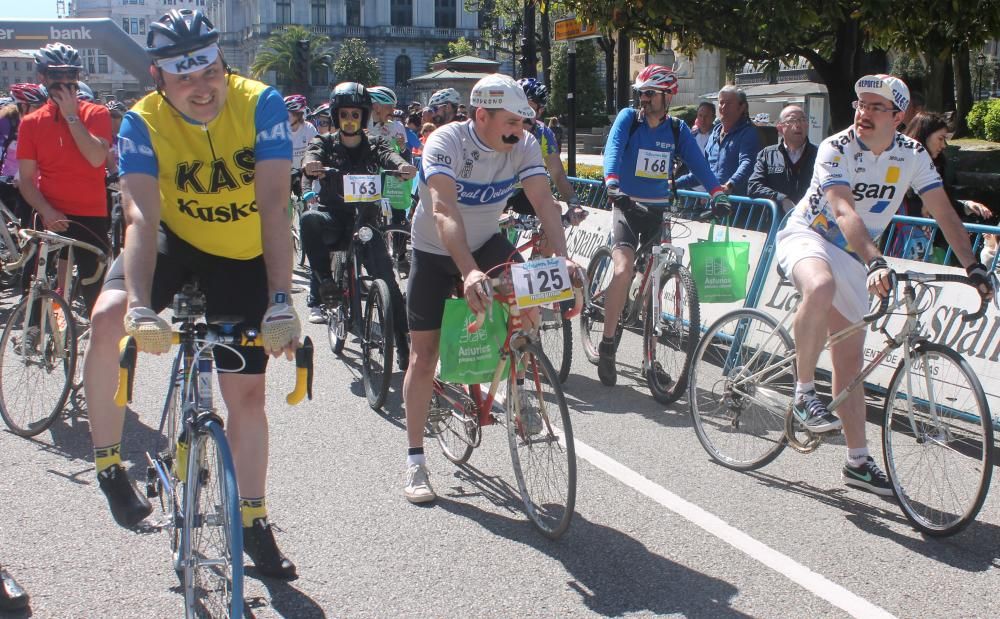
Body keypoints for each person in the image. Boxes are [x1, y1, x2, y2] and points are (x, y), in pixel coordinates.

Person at [83, 8, 301, 579]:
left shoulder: (261, 104)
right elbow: (138, 216)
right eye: (184, 79)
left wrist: (281, 298)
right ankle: (109, 465)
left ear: (222, 64)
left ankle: (253, 520)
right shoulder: (141, 122)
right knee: (106, 317)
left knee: (247, 395)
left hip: (242, 252)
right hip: (172, 242)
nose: (202, 90)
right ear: (159, 78)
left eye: (210, 74)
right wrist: (138, 307)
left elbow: (276, 205)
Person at [774, 74, 994, 495]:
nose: (864, 113)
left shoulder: (911, 154)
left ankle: (857, 462)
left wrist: (973, 266)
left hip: (857, 257)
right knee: (818, 287)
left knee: (850, 363)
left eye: (876, 108)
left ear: (899, 117)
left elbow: (943, 212)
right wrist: (876, 260)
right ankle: (803, 392)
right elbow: (842, 210)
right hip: (811, 236)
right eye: (861, 105)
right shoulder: (837, 148)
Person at [401, 73, 573, 503]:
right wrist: (468, 271)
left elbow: (543, 201)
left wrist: (564, 259)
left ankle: (518, 389)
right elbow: (442, 210)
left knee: (529, 305)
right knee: (424, 358)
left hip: (486, 243)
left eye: (524, 122)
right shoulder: (447, 142)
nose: (520, 131)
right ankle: (416, 461)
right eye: (512, 122)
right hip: (436, 250)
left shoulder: (525, 144)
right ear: (481, 115)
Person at [598, 65, 730, 386]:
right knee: (623, 270)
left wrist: (716, 191)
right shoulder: (629, 120)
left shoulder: (677, 130)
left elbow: (699, 164)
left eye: (650, 94)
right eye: (641, 93)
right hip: (627, 206)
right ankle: (607, 343)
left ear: (667, 96)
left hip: (659, 211)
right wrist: (612, 182)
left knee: (657, 285)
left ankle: (650, 360)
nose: (643, 99)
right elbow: (613, 149)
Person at [300, 82, 416, 376]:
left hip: (366, 223)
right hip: (334, 220)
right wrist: (311, 165)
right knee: (309, 220)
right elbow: (310, 156)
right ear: (336, 116)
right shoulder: (324, 143)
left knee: (389, 285)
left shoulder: (375, 143)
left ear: (363, 117)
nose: (349, 119)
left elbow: (391, 157)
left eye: (355, 114)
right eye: (344, 114)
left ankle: (404, 347)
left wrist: (402, 167)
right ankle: (326, 282)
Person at [17, 43, 111, 315]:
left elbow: (96, 158)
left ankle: (101, 343)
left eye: (71, 75)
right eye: (57, 76)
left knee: (96, 290)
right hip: (48, 211)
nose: (65, 82)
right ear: (43, 78)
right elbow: (25, 179)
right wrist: (46, 210)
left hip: (90, 213)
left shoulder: (96, 113)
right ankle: (33, 329)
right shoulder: (31, 122)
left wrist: (72, 116)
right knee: (35, 276)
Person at [892, 111, 993, 262]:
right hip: (899, 243)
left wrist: (966, 205)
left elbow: (943, 204)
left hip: (927, 245)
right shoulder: (897, 163)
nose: (944, 145)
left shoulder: (938, 166)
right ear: (924, 135)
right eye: (940, 138)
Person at [506, 78, 582, 223]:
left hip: (521, 191)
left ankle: (543, 246)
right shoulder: (502, 127)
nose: (521, 114)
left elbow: (558, 174)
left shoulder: (543, 134)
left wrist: (574, 205)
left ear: (540, 110)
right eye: (517, 106)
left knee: (554, 209)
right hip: (493, 191)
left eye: (528, 108)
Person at [677, 85, 760, 196]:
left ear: (741, 107)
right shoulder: (715, 133)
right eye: (721, 103)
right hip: (715, 203)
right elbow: (702, 170)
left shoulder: (748, 133)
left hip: (739, 206)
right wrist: (674, 184)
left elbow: (747, 163)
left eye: (729, 103)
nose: (723, 107)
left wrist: (730, 185)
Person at [747, 105, 817, 213]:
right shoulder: (767, 154)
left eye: (802, 120)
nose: (798, 125)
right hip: (775, 221)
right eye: (792, 120)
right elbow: (753, 186)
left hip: (809, 221)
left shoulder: (819, 154)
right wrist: (781, 198)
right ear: (780, 128)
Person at [285, 94, 317, 198]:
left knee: (306, 199)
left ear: (297, 114)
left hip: (302, 171)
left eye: (287, 114)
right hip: (285, 171)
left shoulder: (309, 129)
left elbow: (316, 148)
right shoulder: (281, 130)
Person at [367, 85, 408, 154]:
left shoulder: (393, 126)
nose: (393, 111)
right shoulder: (361, 126)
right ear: (376, 107)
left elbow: (395, 153)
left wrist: (401, 147)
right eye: (389, 107)